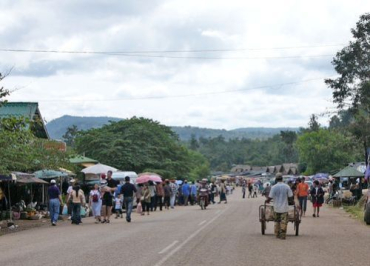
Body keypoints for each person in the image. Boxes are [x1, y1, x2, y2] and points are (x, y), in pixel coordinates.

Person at [266, 173, 293, 240]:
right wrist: (292, 202)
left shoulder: (274, 187)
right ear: (282, 179)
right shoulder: (287, 186)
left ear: (276, 179)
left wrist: (267, 201)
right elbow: (290, 196)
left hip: (276, 208)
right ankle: (283, 235)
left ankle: (277, 234)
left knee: (277, 221)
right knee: (284, 222)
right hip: (284, 208)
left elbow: (270, 197)